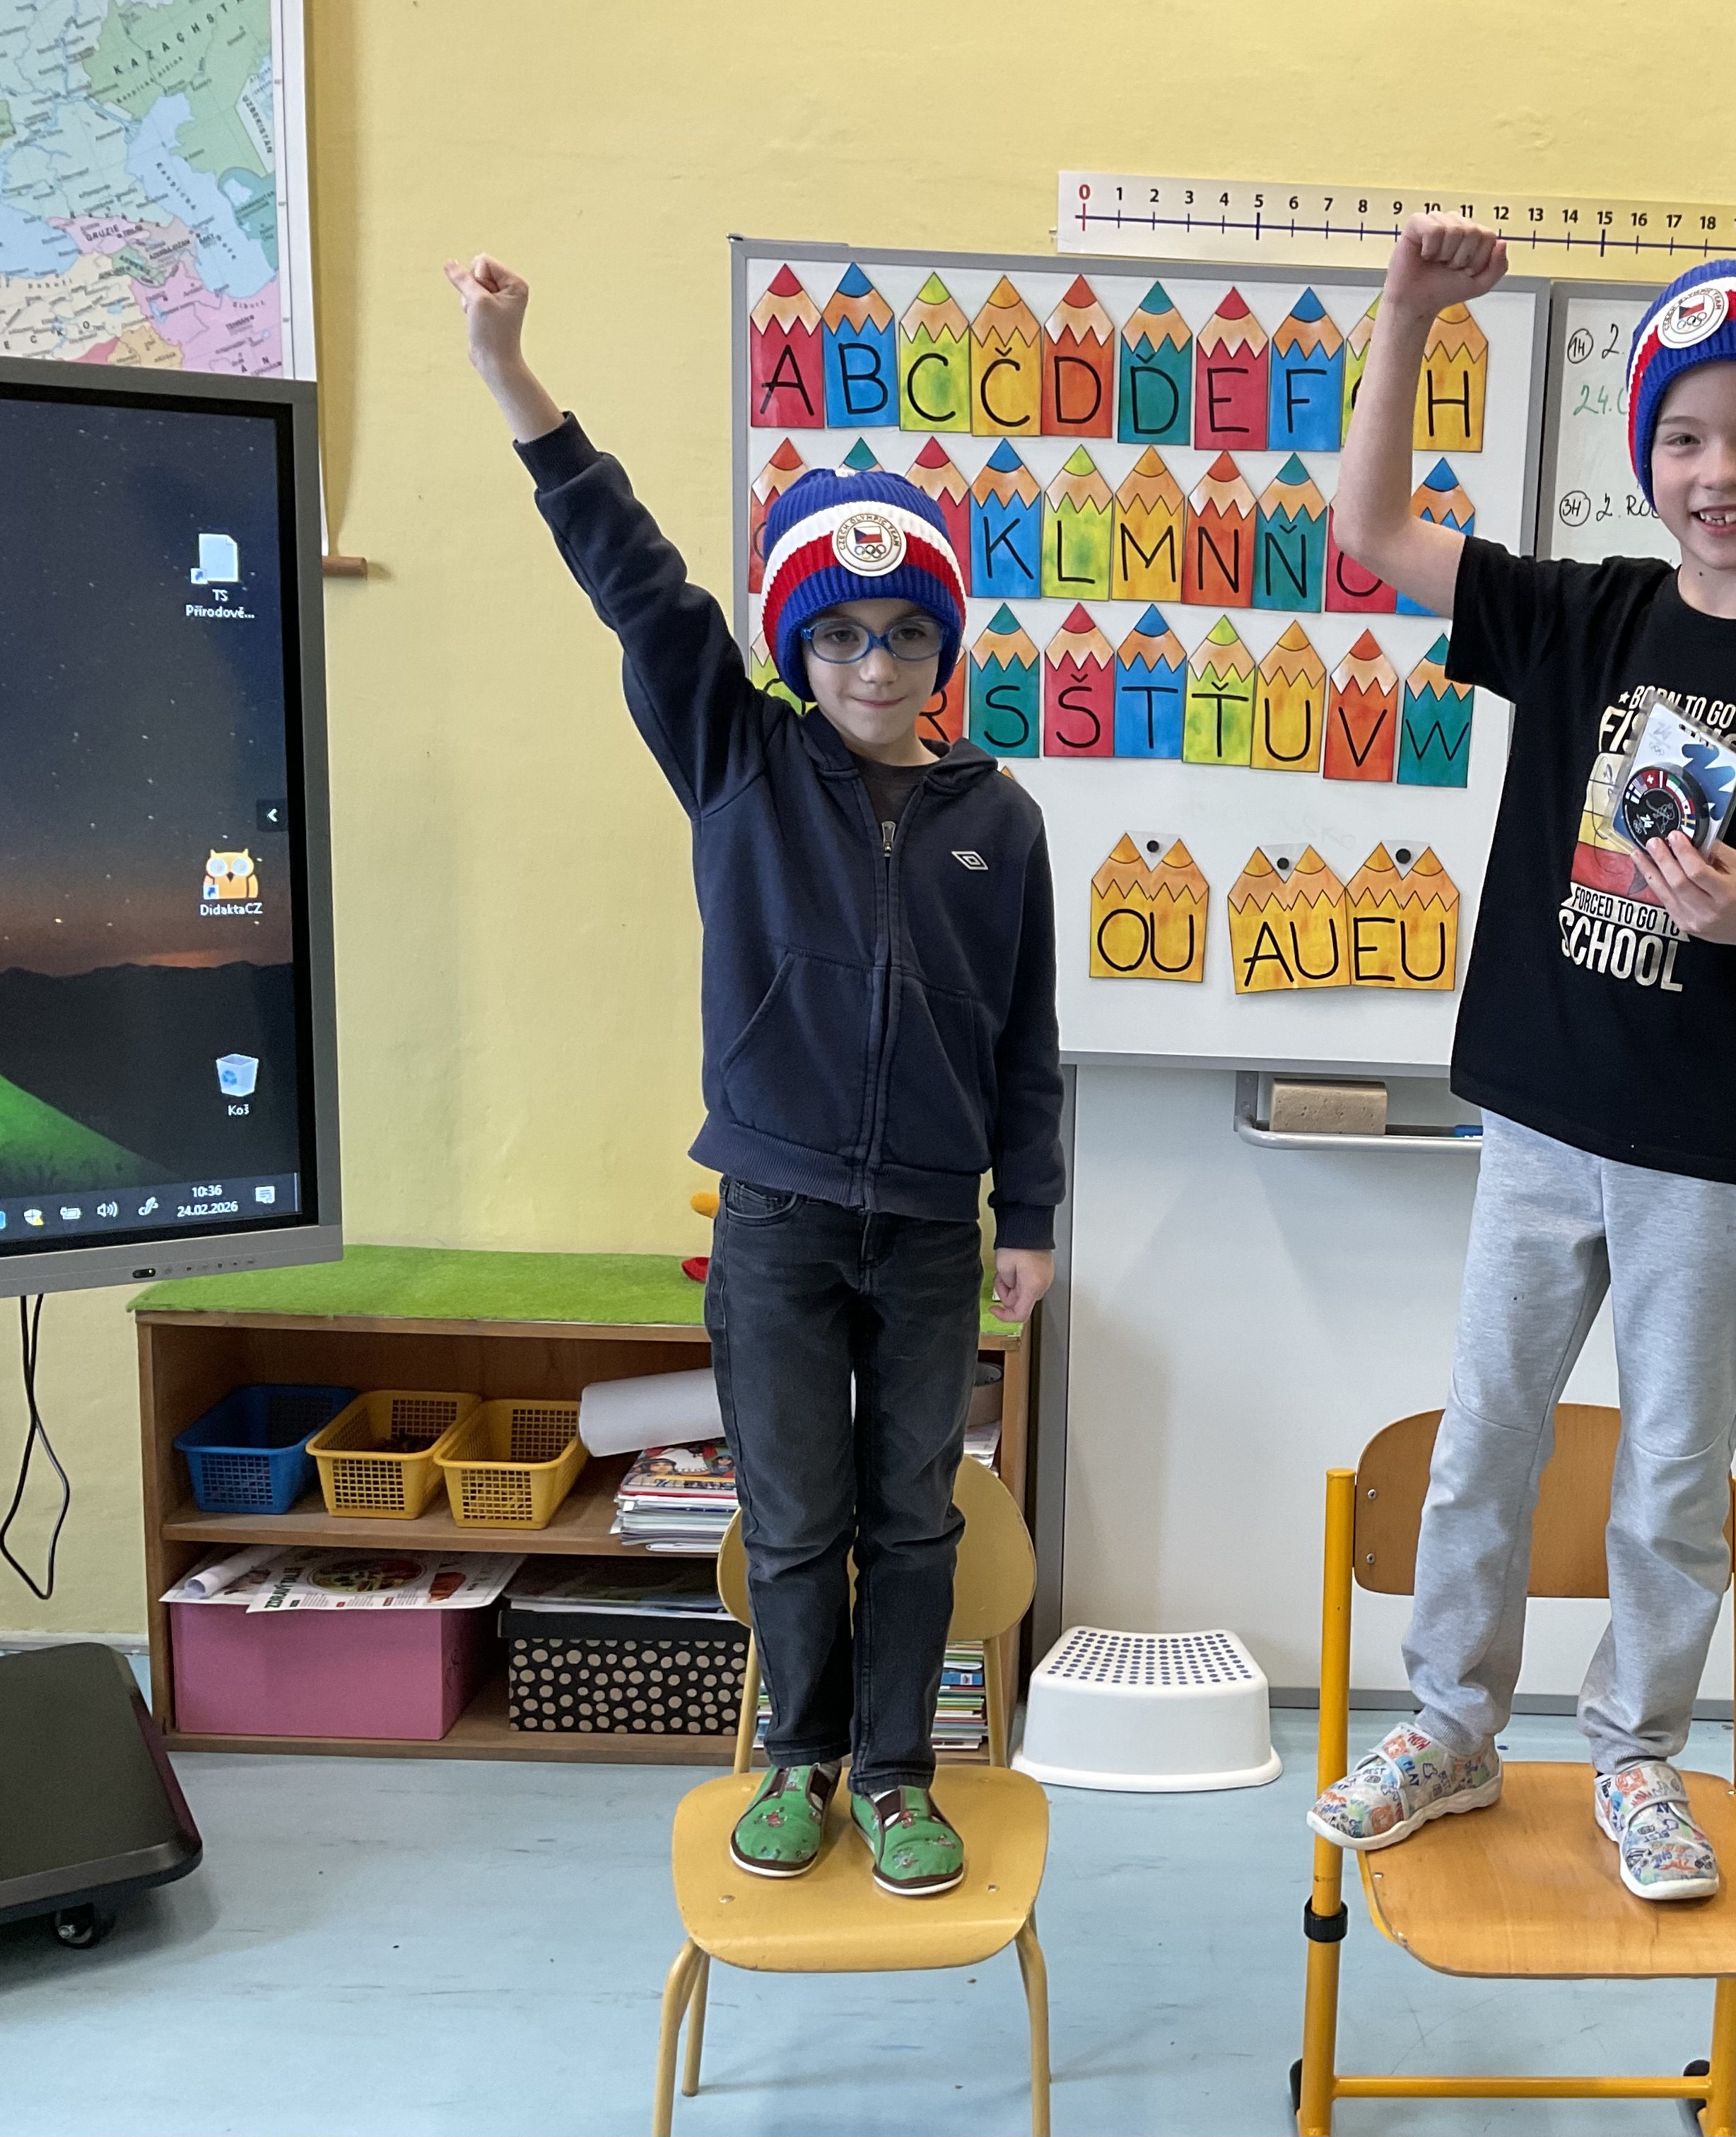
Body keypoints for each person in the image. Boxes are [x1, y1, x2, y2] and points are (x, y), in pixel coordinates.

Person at [1308, 222, 1736, 1900]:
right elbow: (1368, 533)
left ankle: (1637, 1759)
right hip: (1545, 1116)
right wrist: (1406, 314)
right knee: (1485, 1444)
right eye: (1685, 437)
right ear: (1647, 456)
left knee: (1670, 1474)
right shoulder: (1587, 614)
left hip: (1713, 1147)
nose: (1720, 472)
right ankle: (1451, 1730)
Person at [445, 254, 1062, 1899]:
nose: (876, 663)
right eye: (841, 635)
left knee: (914, 1515)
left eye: (908, 632)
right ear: (799, 644)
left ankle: (899, 1775)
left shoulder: (1002, 823)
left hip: (929, 1232)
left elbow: (1028, 1044)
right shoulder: (737, 756)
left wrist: (1030, 1214)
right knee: (792, 1516)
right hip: (778, 1224)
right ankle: (797, 1762)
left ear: (944, 646)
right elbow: (638, 582)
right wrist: (513, 374)